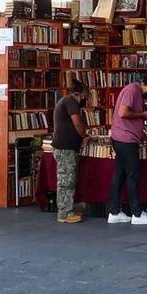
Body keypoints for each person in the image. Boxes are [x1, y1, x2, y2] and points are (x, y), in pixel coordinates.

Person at [108, 73, 147, 225]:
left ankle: (114, 212)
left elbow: (131, 119)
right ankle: (137, 214)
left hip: (122, 138)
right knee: (133, 176)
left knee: (119, 174)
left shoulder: (136, 93)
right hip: (126, 140)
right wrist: (143, 115)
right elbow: (123, 113)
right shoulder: (132, 90)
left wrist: (143, 135)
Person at [52, 79, 89, 224]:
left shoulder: (65, 101)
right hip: (65, 148)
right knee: (66, 181)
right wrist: (84, 136)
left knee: (68, 179)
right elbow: (77, 122)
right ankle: (64, 213)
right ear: (82, 93)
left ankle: (68, 207)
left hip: (66, 147)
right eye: (86, 95)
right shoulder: (71, 101)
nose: (87, 98)